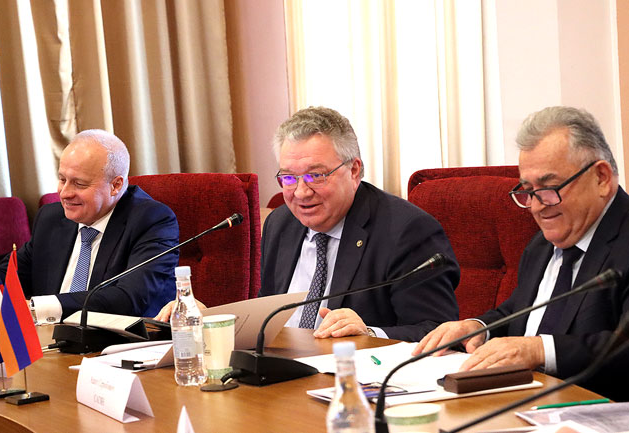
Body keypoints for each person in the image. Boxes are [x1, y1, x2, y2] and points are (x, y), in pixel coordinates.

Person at [414, 106, 629, 400]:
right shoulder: (542, 245)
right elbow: (520, 312)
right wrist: (478, 327)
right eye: (528, 190)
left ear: (601, 178)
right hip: (518, 402)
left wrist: (539, 350)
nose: (536, 206)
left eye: (549, 188)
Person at [260, 106, 459, 342]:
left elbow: (437, 331)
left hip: (353, 363)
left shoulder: (407, 231)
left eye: (316, 176)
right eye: (289, 178)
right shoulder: (280, 224)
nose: (301, 192)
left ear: (354, 171)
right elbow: (267, 314)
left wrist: (369, 334)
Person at [0, 129, 179, 322]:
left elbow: (128, 298)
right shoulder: (51, 218)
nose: (64, 193)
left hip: (113, 340)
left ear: (116, 185)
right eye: (62, 179)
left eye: (79, 184)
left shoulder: (151, 220)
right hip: (48, 337)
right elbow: (5, 277)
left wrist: (38, 308)